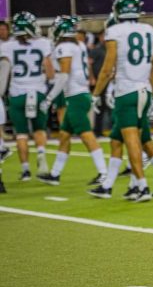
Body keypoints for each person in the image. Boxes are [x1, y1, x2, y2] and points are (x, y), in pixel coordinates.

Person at [90, 0, 153, 201]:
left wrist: (96, 94)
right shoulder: (148, 30)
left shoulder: (115, 31)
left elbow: (107, 68)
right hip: (144, 90)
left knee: (132, 141)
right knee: (135, 139)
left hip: (126, 92)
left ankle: (141, 186)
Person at [37, 16, 108, 185]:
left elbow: (63, 76)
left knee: (86, 135)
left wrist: (49, 98)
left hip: (76, 95)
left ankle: (104, 173)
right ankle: (55, 174)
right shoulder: (79, 44)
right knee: (64, 135)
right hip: (79, 94)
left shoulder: (65, 47)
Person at [0, 12, 53, 181]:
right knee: (39, 129)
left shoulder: (7, 46)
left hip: (17, 93)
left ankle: (25, 171)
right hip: (38, 92)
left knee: (21, 133)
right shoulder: (43, 43)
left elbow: (5, 71)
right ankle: (41, 153)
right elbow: (50, 71)